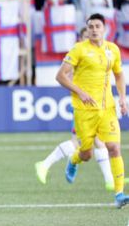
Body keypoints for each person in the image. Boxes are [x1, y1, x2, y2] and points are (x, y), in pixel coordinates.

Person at [55, 13, 129, 208]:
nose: (94, 29)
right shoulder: (79, 49)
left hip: (107, 109)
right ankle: (74, 159)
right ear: (86, 30)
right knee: (87, 154)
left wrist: (122, 98)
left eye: (98, 26)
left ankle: (119, 193)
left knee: (113, 147)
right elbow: (60, 76)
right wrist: (80, 92)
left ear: (105, 28)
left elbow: (119, 75)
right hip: (84, 110)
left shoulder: (112, 50)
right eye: (91, 26)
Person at [35, 28, 115, 191]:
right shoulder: (77, 55)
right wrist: (81, 91)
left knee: (99, 142)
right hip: (83, 107)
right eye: (86, 36)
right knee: (78, 143)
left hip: (95, 106)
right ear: (81, 38)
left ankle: (110, 181)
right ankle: (44, 164)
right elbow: (65, 78)